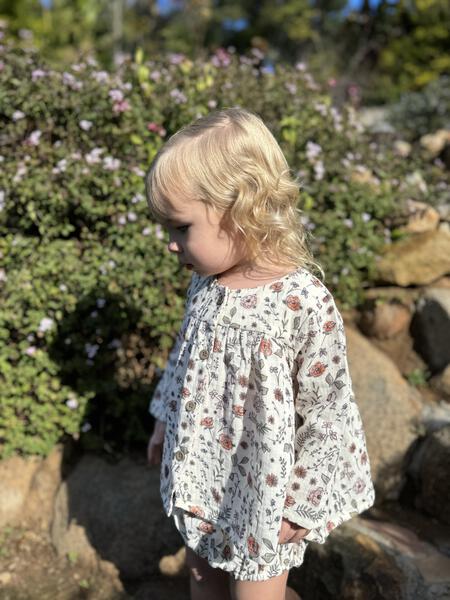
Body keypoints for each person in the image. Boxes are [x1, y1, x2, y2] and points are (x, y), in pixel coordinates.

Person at [145, 107, 375, 600]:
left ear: (240, 210)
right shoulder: (205, 288)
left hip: (265, 495)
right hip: (202, 479)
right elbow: (183, 361)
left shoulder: (302, 302)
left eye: (181, 228)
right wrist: (165, 420)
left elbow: (328, 408)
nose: (171, 244)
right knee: (203, 580)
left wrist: (303, 502)